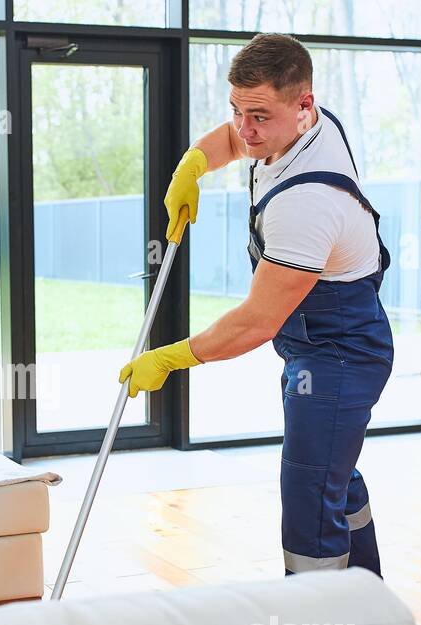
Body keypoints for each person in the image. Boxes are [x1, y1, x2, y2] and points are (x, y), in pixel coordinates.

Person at [119, 33, 394, 577]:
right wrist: (194, 164)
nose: (245, 131)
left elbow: (256, 322)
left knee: (309, 495)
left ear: (303, 105)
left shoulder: (307, 203)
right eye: (237, 111)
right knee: (334, 475)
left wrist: (169, 358)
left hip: (340, 354)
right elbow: (231, 138)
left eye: (259, 117)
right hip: (316, 345)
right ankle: (367, 603)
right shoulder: (301, 127)